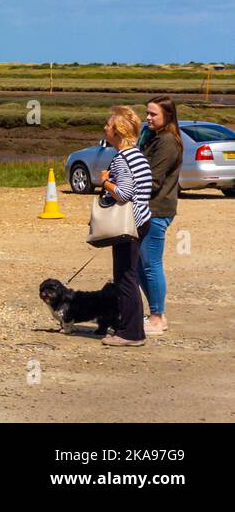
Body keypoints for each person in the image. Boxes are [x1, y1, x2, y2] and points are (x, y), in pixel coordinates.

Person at [97, 105, 153, 347]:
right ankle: (132, 328)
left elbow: (125, 193)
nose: (105, 128)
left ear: (118, 132)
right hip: (142, 220)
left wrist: (106, 183)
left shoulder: (121, 159)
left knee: (125, 278)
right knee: (129, 276)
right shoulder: (138, 154)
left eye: (108, 125)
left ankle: (131, 333)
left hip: (128, 225)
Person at [138, 95, 182, 335]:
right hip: (148, 208)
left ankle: (157, 317)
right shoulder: (153, 137)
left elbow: (153, 180)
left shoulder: (168, 142)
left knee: (151, 264)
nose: (148, 118)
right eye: (147, 113)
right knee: (139, 264)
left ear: (168, 116)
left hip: (157, 209)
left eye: (153, 114)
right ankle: (156, 312)